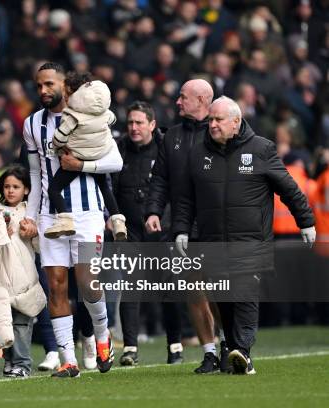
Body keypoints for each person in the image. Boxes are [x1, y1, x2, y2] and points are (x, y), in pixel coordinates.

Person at [172, 96, 316, 374]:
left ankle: (244, 352)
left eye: (218, 120)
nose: (211, 125)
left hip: (251, 241)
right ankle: (234, 349)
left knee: (246, 294)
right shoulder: (197, 153)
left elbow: (288, 188)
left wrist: (305, 221)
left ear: (236, 122)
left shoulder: (261, 149)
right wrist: (181, 229)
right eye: (210, 119)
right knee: (224, 297)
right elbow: (186, 199)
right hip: (213, 241)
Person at [20, 62, 123, 378]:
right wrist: (31, 216)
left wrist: (80, 166)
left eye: (49, 84)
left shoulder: (90, 116)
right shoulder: (32, 124)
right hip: (52, 215)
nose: (43, 91)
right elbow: (37, 176)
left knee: (89, 283)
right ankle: (68, 359)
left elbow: (115, 162)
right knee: (56, 286)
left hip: (89, 213)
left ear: (66, 86)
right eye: (39, 86)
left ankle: (102, 336)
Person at [144, 79, 224, 374]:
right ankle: (209, 352)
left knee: (218, 291)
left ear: (202, 99)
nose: (178, 102)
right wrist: (153, 210)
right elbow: (160, 180)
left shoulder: (221, 132)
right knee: (193, 289)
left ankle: (230, 343)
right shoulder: (172, 136)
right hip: (182, 225)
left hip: (216, 223)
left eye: (183, 97)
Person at [112, 101, 184, 366]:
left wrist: (172, 223)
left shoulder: (167, 149)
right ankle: (130, 348)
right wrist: (114, 217)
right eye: (130, 122)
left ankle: (175, 345)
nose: (133, 128)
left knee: (169, 288)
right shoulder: (117, 150)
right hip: (130, 230)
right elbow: (110, 188)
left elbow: (176, 189)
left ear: (152, 125)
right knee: (130, 288)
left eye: (139, 122)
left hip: (162, 230)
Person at [0, 165, 46, 378]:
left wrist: (33, 233)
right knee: (2, 324)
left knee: (22, 324)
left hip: (24, 280)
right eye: (6, 187)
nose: (10, 191)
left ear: (27, 190)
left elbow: (44, 247)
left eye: (16, 186)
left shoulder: (31, 215)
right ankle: (10, 361)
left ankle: (22, 363)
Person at [43, 71, 126, 241]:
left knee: (54, 188)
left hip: (77, 159)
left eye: (66, 93)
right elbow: (112, 119)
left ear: (75, 94)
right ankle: (118, 220)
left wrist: (60, 149)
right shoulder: (103, 112)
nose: (64, 97)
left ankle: (65, 220)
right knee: (104, 186)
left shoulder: (72, 115)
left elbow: (59, 138)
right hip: (99, 154)